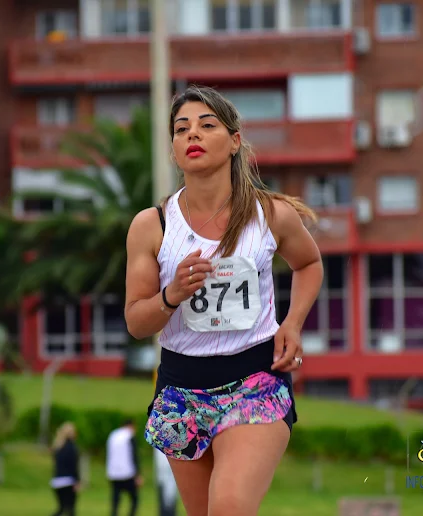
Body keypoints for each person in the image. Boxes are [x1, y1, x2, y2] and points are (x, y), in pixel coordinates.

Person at [124, 85, 324, 516]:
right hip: (181, 388)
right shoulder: (152, 226)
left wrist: (292, 324)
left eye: (206, 125)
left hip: (255, 379)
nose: (192, 134)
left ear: (235, 141)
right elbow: (137, 322)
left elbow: (309, 264)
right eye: (181, 129)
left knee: (229, 506)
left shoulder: (271, 215)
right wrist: (172, 295)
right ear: (174, 150)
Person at [106, 419, 143, 516]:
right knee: (134, 498)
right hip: (127, 472)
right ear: (131, 426)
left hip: (113, 472)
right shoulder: (130, 436)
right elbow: (134, 456)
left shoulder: (113, 435)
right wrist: (138, 474)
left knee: (116, 498)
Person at [49, 422, 80, 516]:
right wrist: (77, 480)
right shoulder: (72, 448)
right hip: (68, 481)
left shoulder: (58, 447)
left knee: (61, 508)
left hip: (56, 481)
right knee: (71, 509)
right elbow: (73, 466)